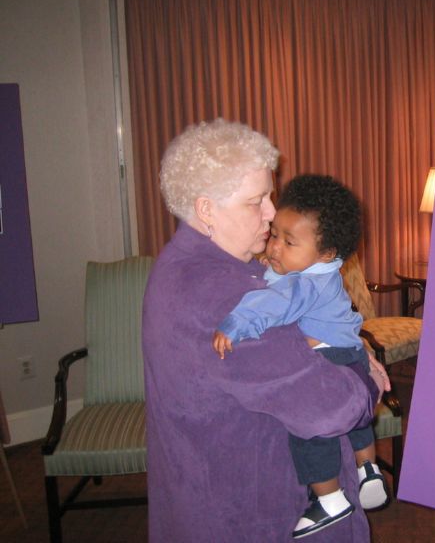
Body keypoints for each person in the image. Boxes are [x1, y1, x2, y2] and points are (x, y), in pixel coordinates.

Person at [143, 119, 385, 541]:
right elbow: (327, 407)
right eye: (256, 201)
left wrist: (350, 344)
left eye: (270, 196)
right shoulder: (219, 295)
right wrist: (368, 382)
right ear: (206, 209)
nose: (272, 213)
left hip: (206, 492)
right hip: (256, 509)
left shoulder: (187, 263)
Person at [211, 174, 387, 535]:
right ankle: (368, 468)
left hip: (330, 357)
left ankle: (328, 497)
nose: (275, 247)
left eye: (289, 242)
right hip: (352, 353)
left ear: (326, 253)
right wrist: (274, 264)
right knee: (358, 423)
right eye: (275, 234)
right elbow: (280, 277)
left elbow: (274, 303)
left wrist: (237, 323)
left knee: (308, 425)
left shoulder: (304, 282)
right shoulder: (324, 271)